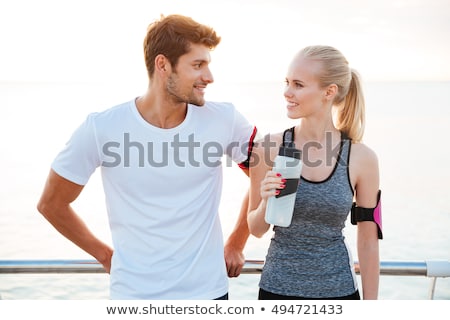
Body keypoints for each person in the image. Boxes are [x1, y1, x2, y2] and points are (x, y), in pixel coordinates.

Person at [37, 14, 257, 300]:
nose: (209, 77)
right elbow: (52, 204)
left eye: (208, 65)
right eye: (198, 65)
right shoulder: (102, 127)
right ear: (163, 65)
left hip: (208, 295)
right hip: (134, 299)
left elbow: (267, 176)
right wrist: (104, 255)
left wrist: (237, 242)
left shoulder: (224, 119)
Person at [247, 45, 382, 300]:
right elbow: (255, 228)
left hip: (339, 293)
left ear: (329, 92)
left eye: (298, 84)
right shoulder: (268, 147)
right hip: (277, 292)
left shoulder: (362, 158)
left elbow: (368, 240)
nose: (287, 92)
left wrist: (371, 307)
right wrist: (266, 201)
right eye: (287, 82)